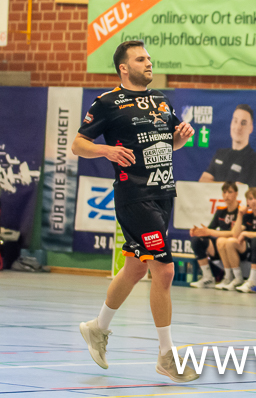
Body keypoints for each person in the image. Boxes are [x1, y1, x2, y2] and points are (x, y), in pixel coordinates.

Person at [72, 40, 198, 382]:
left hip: (163, 193)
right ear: (124, 68)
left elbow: (171, 143)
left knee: (135, 268)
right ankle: (166, 356)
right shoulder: (107, 103)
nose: (148, 63)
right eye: (141, 59)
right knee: (164, 271)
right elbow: (78, 144)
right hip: (135, 196)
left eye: (149, 58)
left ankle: (97, 328)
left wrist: (182, 137)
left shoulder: (160, 100)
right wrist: (107, 151)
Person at [188, 182, 240, 289]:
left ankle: (231, 277)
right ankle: (207, 277)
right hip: (220, 247)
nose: (226, 195)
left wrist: (210, 232)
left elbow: (234, 233)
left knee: (223, 241)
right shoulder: (221, 211)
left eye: (230, 192)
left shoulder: (240, 211)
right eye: (224, 192)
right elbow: (210, 230)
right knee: (197, 240)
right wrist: (199, 231)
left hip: (236, 246)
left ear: (236, 194)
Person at [199, 104, 256, 188]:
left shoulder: (254, 160)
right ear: (231, 124)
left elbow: (243, 188)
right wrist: (231, 185)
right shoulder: (220, 153)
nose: (238, 127)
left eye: (243, 123)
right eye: (235, 121)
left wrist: (213, 184)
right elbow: (203, 181)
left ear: (251, 128)